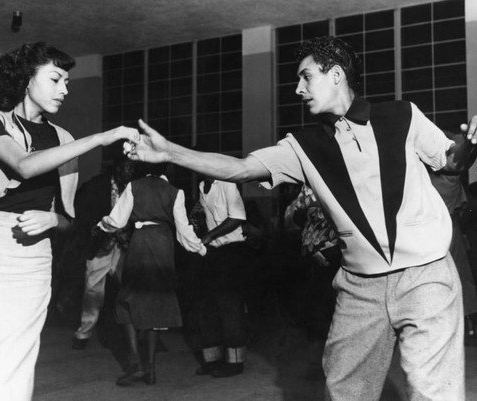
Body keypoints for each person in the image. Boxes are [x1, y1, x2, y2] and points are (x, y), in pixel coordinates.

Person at [125, 36, 477, 401]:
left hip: (427, 275)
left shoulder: (403, 115)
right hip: (361, 287)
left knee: (433, 390)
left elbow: (451, 160)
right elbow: (240, 167)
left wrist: (471, 144)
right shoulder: (300, 146)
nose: (298, 88)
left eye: (306, 77)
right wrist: (171, 152)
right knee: (345, 391)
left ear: (336, 75)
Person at [0, 42, 138, 401]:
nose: (65, 89)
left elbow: (71, 223)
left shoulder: (63, 139)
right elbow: (23, 165)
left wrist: (52, 219)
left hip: (33, 260)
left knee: (20, 354)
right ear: (24, 79)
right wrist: (100, 138)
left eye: (67, 81)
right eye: (56, 79)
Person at [96, 162, 206, 386]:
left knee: (126, 301)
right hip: (164, 245)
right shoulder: (176, 192)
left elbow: (117, 220)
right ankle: (151, 370)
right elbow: (184, 230)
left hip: (141, 243)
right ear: (167, 169)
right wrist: (200, 247)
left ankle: (135, 363)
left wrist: (101, 225)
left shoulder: (134, 186)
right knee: (155, 303)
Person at [71, 159, 136, 350]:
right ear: (117, 167)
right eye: (127, 166)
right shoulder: (97, 185)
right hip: (100, 245)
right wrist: (95, 229)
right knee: (92, 291)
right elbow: (82, 210)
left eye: (133, 167)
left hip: (124, 246)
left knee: (129, 289)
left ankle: (133, 334)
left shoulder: (134, 187)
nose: (130, 171)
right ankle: (84, 333)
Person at [188, 178, 249, 378]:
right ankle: (212, 360)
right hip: (213, 251)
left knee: (229, 305)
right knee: (206, 305)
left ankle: (235, 362)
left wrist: (210, 235)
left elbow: (237, 218)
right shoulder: (201, 187)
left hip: (233, 251)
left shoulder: (227, 183)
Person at [428, 130, 477, 345]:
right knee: (456, 278)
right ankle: (466, 325)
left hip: (441, 228)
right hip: (445, 227)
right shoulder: (450, 175)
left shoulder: (444, 174)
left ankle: (463, 325)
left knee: (453, 279)